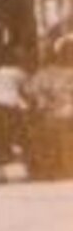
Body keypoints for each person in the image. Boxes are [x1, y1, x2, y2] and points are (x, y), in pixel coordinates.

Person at [22, 37, 73, 179]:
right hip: (62, 116)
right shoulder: (48, 73)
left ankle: (53, 167)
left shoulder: (45, 72)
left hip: (49, 116)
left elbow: (29, 90)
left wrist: (42, 101)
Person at [0, 46, 27, 184]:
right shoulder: (19, 73)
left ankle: (1, 173)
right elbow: (26, 91)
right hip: (7, 108)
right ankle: (27, 165)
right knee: (21, 136)